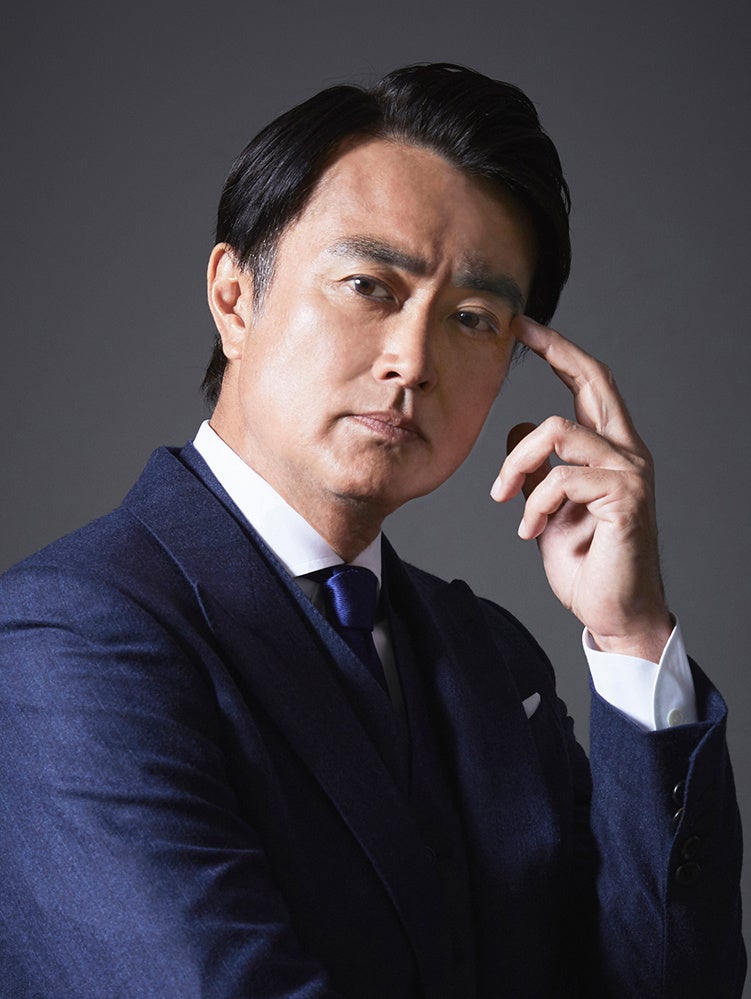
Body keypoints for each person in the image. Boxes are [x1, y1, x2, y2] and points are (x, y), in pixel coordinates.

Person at [0, 63, 744, 998]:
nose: (413, 360)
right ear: (234, 298)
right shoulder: (67, 638)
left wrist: (631, 637)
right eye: (368, 285)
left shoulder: (493, 656)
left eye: (471, 318)